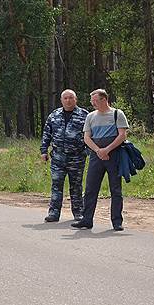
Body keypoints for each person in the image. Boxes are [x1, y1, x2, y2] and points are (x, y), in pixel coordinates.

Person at [72, 88, 129, 231]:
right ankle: (87, 219)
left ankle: (117, 221)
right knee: (90, 188)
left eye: (95, 101)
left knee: (116, 189)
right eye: (92, 101)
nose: (93, 104)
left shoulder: (117, 114)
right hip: (96, 155)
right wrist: (98, 151)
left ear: (104, 100)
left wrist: (107, 149)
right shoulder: (90, 116)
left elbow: (122, 135)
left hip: (114, 154)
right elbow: (86, 137)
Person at [40, 89, 89, 222]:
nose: (68, 100)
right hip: (58, 157)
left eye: (71, 98)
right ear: (61, 100)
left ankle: (78, 213)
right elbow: (46, 134)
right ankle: (54, 213)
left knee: (76, 186)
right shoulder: (54, 115)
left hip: (77, 157)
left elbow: (91, 135)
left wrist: (88, 151)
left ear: (75, 99)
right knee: (56, 186)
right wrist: (43, 151)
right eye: (65, 98)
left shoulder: (85, 115)